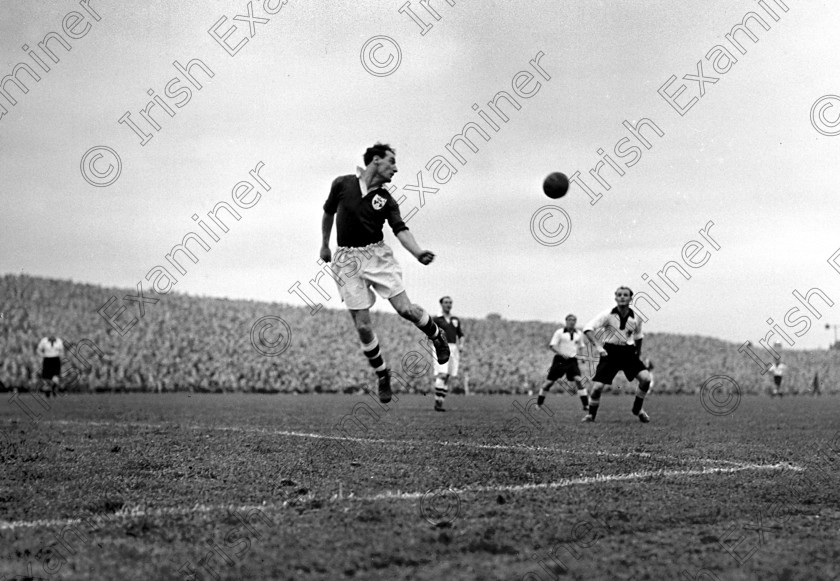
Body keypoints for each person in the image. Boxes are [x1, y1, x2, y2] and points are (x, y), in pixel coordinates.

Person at [320, 143, 449, 404]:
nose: (396, 168)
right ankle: (382, 374)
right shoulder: (342, 184)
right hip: (347, 260)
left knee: (406, 310)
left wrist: (418, 252)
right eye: (391, 161)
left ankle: (437, 335)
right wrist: (324, 244)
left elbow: (400, 229)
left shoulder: (387, 199)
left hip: (377, 257)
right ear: (375, 160)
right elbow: (328, 212)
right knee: (363, 326)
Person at [582, 287, 652, 423]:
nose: (622, 297)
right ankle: (591, 415)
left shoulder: (636, 317)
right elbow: (588, 328)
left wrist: (638, 353)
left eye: (625, 295)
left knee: (646, 379)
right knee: (597, 388)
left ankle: (637, 409)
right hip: (610, 352)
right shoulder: (607, 315)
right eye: (619, 295)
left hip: (628, 352)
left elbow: (638, 336)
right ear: (615, 298)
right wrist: (598, 346)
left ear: (631, 299)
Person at [537, 314, 589, 412]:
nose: (572, 322)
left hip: (572, 361)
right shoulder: (559, 332)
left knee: (578, 380)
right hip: (560, 360)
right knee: (548, 383)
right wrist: (562, 353)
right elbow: (552, 346)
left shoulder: (579, 333)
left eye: (574, 320)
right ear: (566, 321)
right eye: (570, 320)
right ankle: (539, 404)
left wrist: (582, 356)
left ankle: (586, 405)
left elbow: (581, 346)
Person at [431, 296, 465, 412]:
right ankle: (437, 402)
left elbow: (461, 334)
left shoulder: (455, 319)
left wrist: (461, 345)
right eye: (446, 302)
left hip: (453, 348)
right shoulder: (437, 319)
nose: (448, 304)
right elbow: (430, 334)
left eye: (450, 302)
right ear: (441, 304)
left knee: (448, 375)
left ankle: (440, 401)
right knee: (442, 374)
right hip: (441, 347)